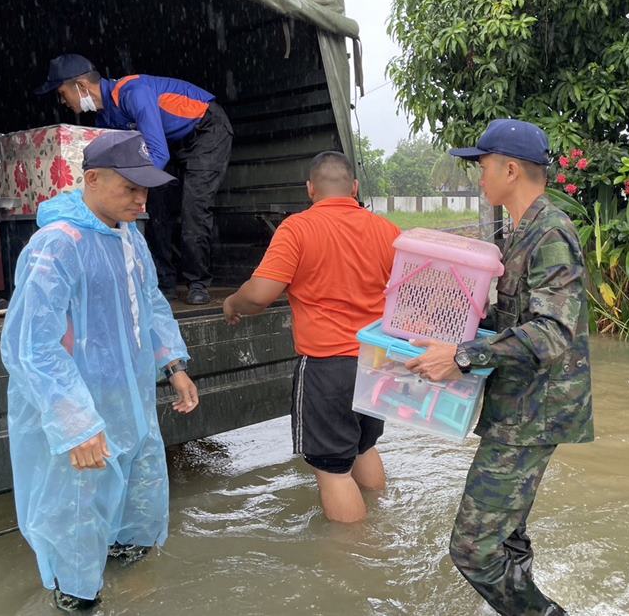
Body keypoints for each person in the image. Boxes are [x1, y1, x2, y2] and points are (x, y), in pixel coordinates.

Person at [0, 130, 200, 612]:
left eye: (145, 188)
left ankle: (130, 580)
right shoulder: (57, 246)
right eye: (129, 188)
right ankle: (76, 595)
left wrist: (173, 365)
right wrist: (75, 423)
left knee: (138, 497)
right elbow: (31, 347)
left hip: (128, 401)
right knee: (76, 510)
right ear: (91, 178)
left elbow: (150, 303)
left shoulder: (129, 236)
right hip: (77, 409)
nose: (141, 199)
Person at [406, 119, 594, 616]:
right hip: (520, 407)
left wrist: (463, 357)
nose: (478, 178)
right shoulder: (523, 230)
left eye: (482, 166)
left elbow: (554, 331)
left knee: (472, 549)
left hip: (535, 413)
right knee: (507, 538)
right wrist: (451, 335)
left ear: (510, 169)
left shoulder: (550, 232)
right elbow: (513, 319)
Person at [222, 151, 401, 522]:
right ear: (353, 187)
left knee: (332, 470)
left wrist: (232, 303)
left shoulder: (298, 228)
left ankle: (354, 558)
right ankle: (384, 529)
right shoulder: (387, 230)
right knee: (365, 447)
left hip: (327, 366)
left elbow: (260, 294)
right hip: (377, 363)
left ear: (310, 189)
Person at [35, 53, 233, 305]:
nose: (62, 101)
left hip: (206, 130)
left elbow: (157, 153)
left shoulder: (133, 91)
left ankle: (198, 282)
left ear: (81, 86)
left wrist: (128, 188)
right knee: (156, 210)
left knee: (193, 206)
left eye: (62, 93)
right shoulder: (104, 118)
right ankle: (164, 282)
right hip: (170, 142)